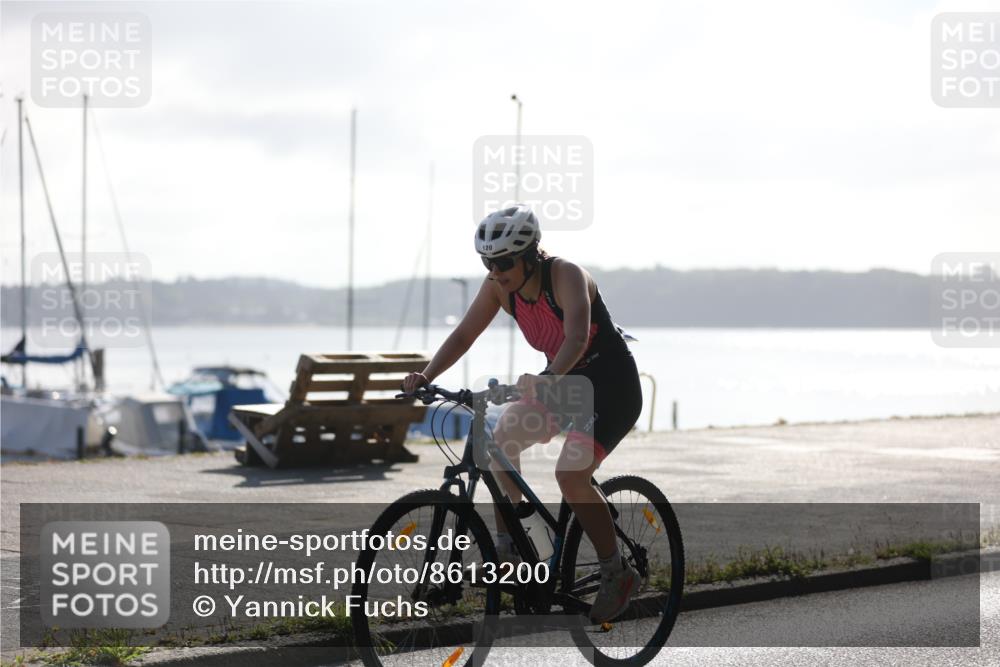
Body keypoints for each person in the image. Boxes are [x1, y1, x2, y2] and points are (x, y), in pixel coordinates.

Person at [402, 204, 643, 623]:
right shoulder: (500, 287)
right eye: (487, 262)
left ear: (530, 254)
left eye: (504, 262)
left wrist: (548, 376)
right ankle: (515, 546)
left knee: (570, 474)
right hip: (561, 385)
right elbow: (463, 334)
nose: (495, 270)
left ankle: (615, 571)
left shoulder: (566, 275)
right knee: (497, 442)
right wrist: (425, 375)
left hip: (610, 386)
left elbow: (578, 336)